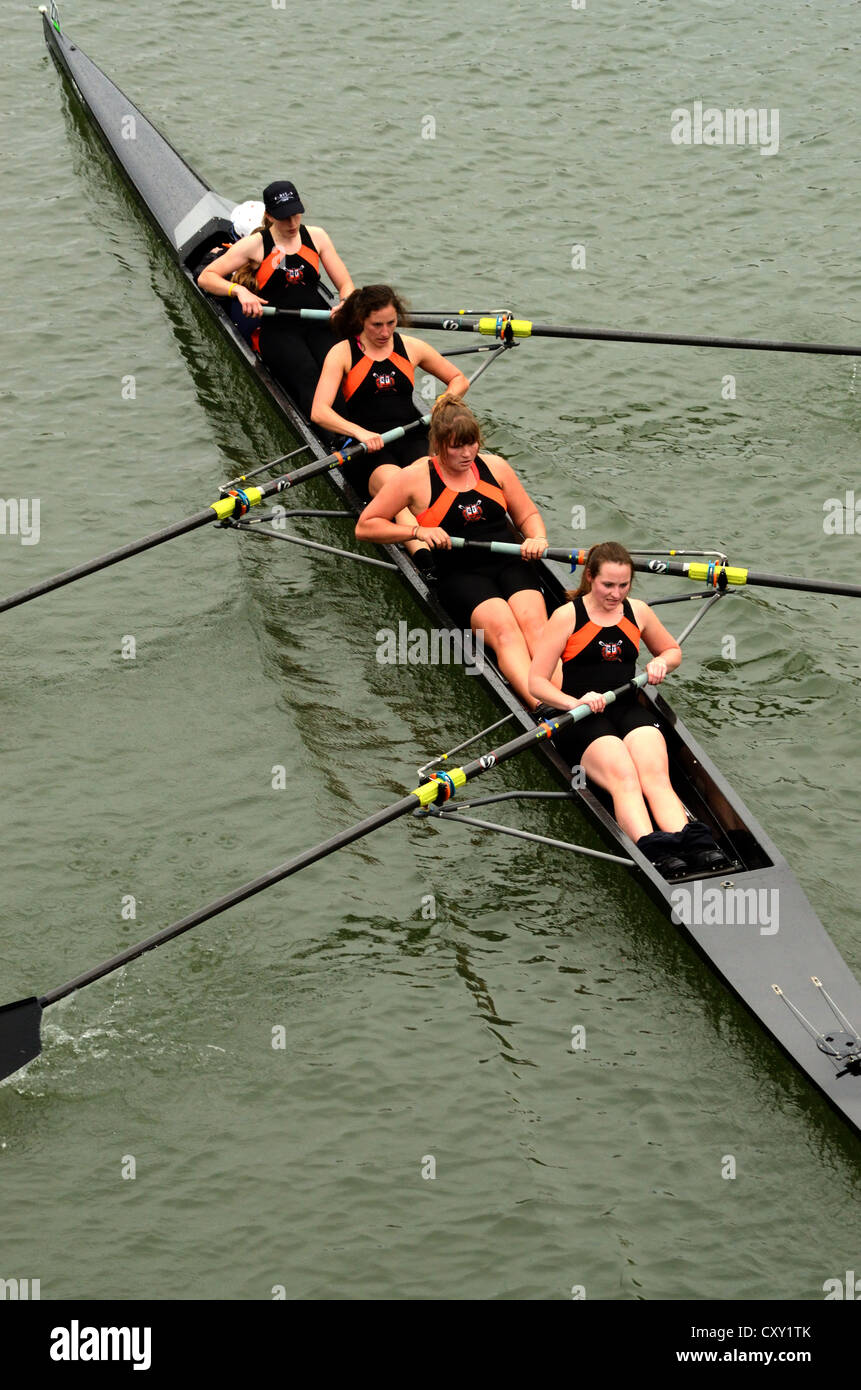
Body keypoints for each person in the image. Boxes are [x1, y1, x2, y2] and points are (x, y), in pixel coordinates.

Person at [527, 541, 729, 876]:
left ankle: (696, 844)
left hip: (626, 708)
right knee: (624, 774)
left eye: (623, 585)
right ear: (590, 578)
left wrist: (661, 663)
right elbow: (537, 683)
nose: (616, 594)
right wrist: (573, 703)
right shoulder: (567, 616)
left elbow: (672, 651)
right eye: (608, 585)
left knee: (654, 774)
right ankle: (655, 851)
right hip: (581, 717)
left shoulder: (638, 612)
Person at [355, 397, 552, 707]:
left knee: (538, 628)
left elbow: (527, 516)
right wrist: (417, 531)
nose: (467, 453)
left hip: (509, 561)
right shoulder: (416, 478)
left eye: (471, 443)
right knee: (505, 632)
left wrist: (537, 538)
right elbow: (366, 526)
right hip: (460, 574)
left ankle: (566, 701)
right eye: (457, 446)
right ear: (438, 444)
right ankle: (542, 707)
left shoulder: (496, 467)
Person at [197, 181, 355, 415]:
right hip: (278, 328)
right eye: (283, 218)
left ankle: (360, 425)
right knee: (308, 373)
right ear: (269, 216)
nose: (292, 223)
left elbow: (345, 284)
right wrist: (238, 291)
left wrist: (345, 303)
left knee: (341, 369)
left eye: (295, 215)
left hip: (317, 321)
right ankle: (334, 437)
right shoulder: (255, 245)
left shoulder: (317, 236)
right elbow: (206, 278)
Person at [311, 285, 470, 494]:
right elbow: (319, 412)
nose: (385, 332)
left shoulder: (412, 347)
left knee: (428, 483)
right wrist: (360, 433)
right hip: (367, 446)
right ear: (361, 320)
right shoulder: (342, 353)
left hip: (411, 435)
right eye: (376, 325)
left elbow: (459, 379)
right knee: (396, 487)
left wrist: (443, 401)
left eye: (391, 323)